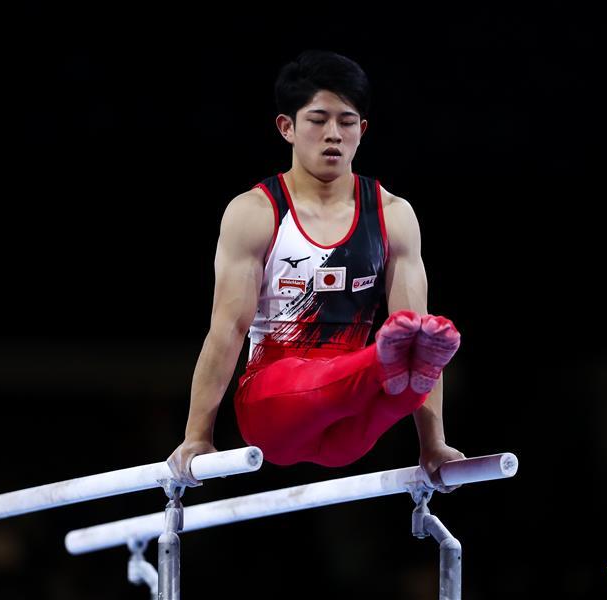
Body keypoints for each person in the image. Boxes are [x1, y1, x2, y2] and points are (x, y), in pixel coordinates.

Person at [166, 50, 466, 493]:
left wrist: (433, 447)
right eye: (318, 119)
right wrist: (197, 436)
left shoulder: (394, 216)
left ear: (362, 130)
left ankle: (383, 368)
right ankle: (378, 363)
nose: (333, 134)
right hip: (273, 404)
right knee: (384, 365)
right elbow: (227, 330)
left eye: (346, 121)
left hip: (350, 426)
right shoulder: (255, 213)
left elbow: (419, 342)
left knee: (410, 363)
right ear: (286, 127)